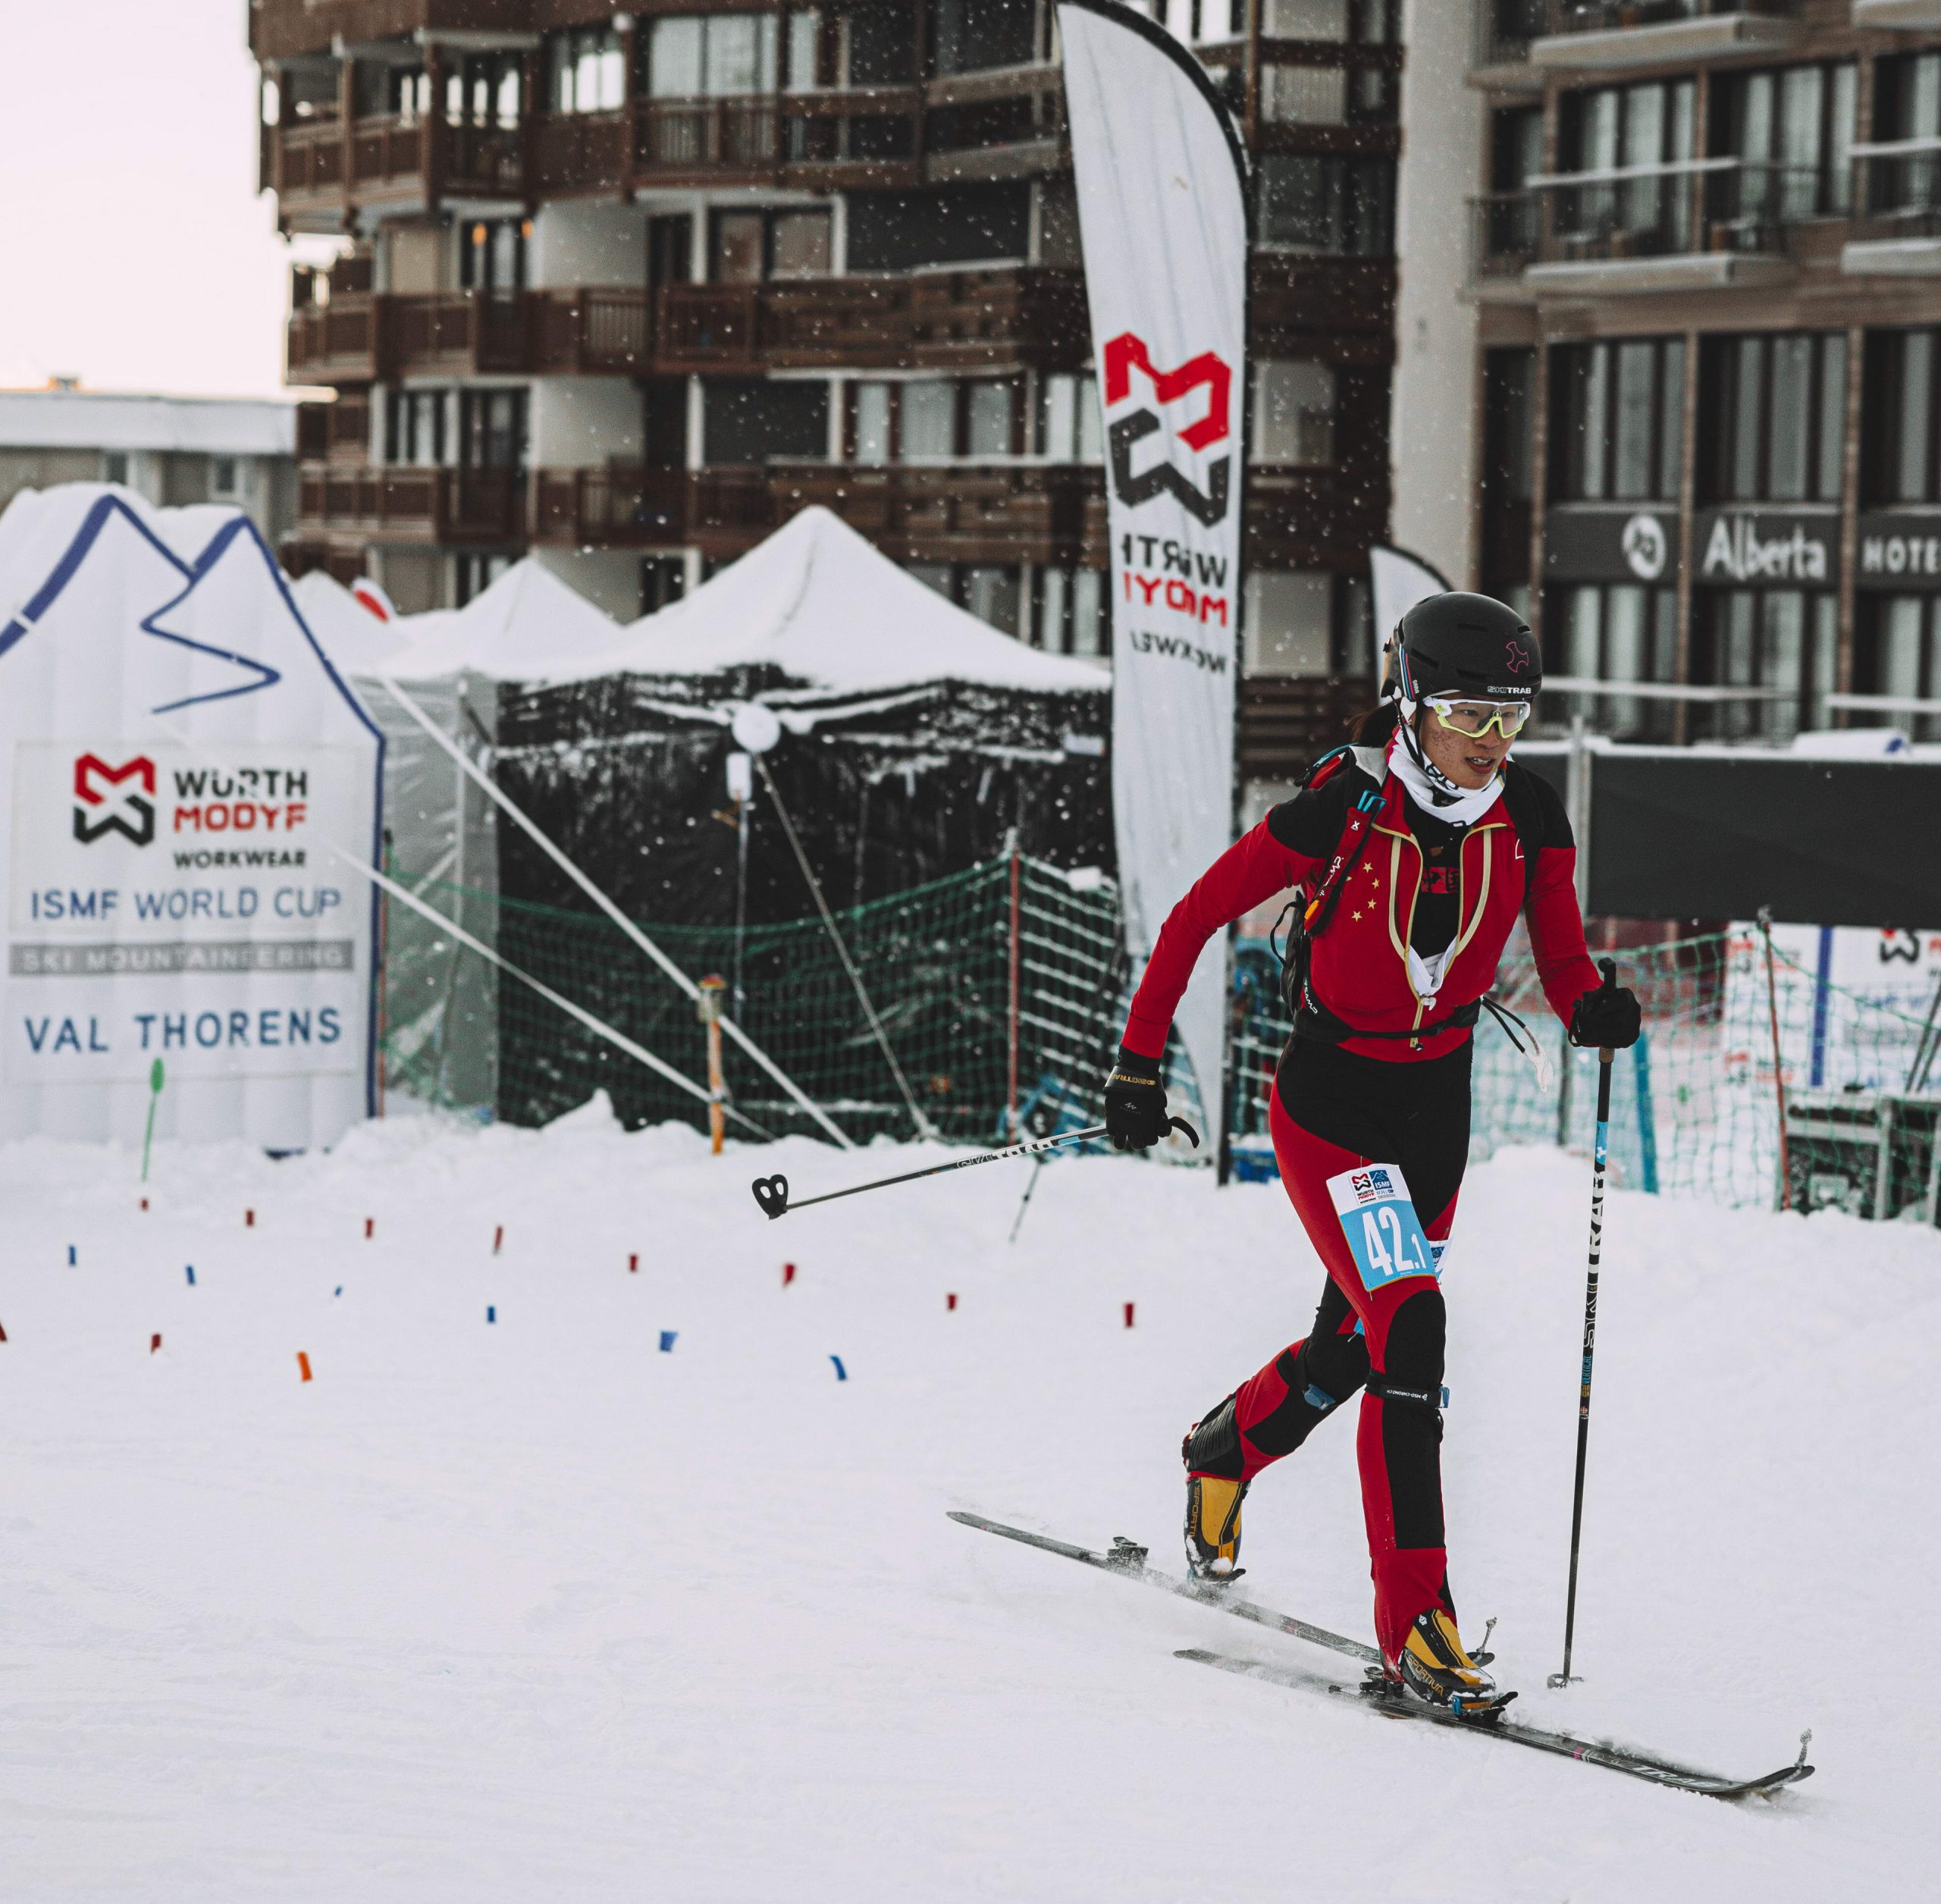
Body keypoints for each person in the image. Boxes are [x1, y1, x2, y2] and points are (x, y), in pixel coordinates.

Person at [1100, 592, 1640, 1713]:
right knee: (1414, 1323)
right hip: (1332, 1104)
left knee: (1358, 1348)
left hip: (1436, 1114)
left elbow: (1565, 958)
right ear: (1411, 701)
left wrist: (1593, 1008)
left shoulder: (1533, 816)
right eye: (1468, 715)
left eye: (1511, 718)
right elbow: (1196, 915)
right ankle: (1418, 1622)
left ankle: (1223, 1451)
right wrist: (1139, 1066)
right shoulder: (1344, 804)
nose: (1491, 742)